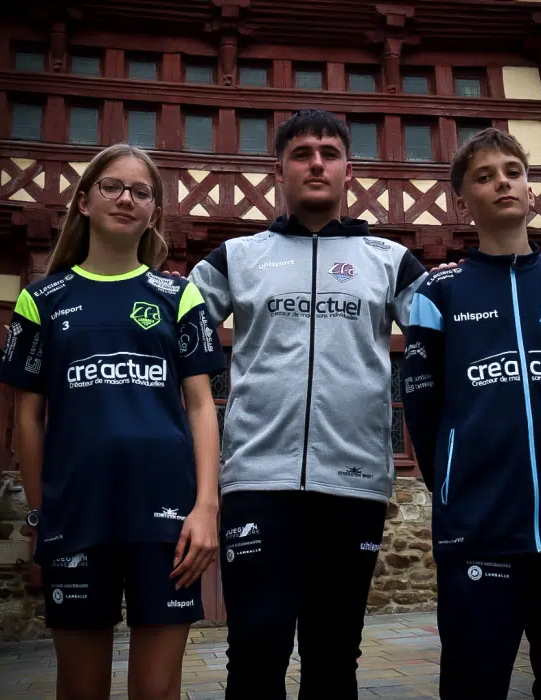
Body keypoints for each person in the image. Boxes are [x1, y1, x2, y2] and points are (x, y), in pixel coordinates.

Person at [184, 109, 429, 698]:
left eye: (328, 153)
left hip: (353, 486)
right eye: (301, 154)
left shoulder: (391, 260)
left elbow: (452, 340)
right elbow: (169, 337)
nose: (316, 164)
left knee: (334, 658)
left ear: (349, 170)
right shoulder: (235, 258)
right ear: (280, 171)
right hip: (256, 483)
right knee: (254, 652)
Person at [0, 143, 227, 700]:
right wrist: (41, 511)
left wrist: (206, 508)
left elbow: (202, 406)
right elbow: (28, 418)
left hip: (167, 518)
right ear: (83, 201)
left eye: (141, 192)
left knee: (156, 691)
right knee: (80, 690)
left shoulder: (178, 296)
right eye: (112, 186)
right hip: (76, 514)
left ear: (153, 213)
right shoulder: (41, 300)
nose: (126, 198)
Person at [402, 128, 541, 700]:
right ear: (461, 201)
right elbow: (422, 408)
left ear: (530, 188)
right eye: (485, 176)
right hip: (479, 529)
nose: (503, 182)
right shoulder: (438, 292)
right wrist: (457, 484)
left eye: (513, 172)